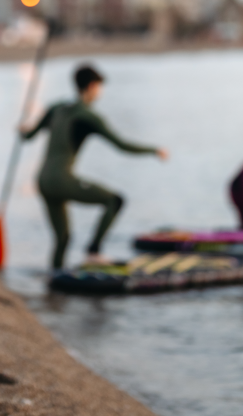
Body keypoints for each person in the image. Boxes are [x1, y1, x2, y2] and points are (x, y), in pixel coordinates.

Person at [20, 64, 168, 269]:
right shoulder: (88, 116)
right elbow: (122, 145)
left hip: (42, 181)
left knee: (63, 238)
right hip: (61, 181)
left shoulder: (56, 108)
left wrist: (22, 128)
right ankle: (94, 251)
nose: (100, 92)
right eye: (99, 87)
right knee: (115, 200)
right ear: (91, 87)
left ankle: (54, 278)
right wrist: (154, 150)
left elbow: (27, 136)